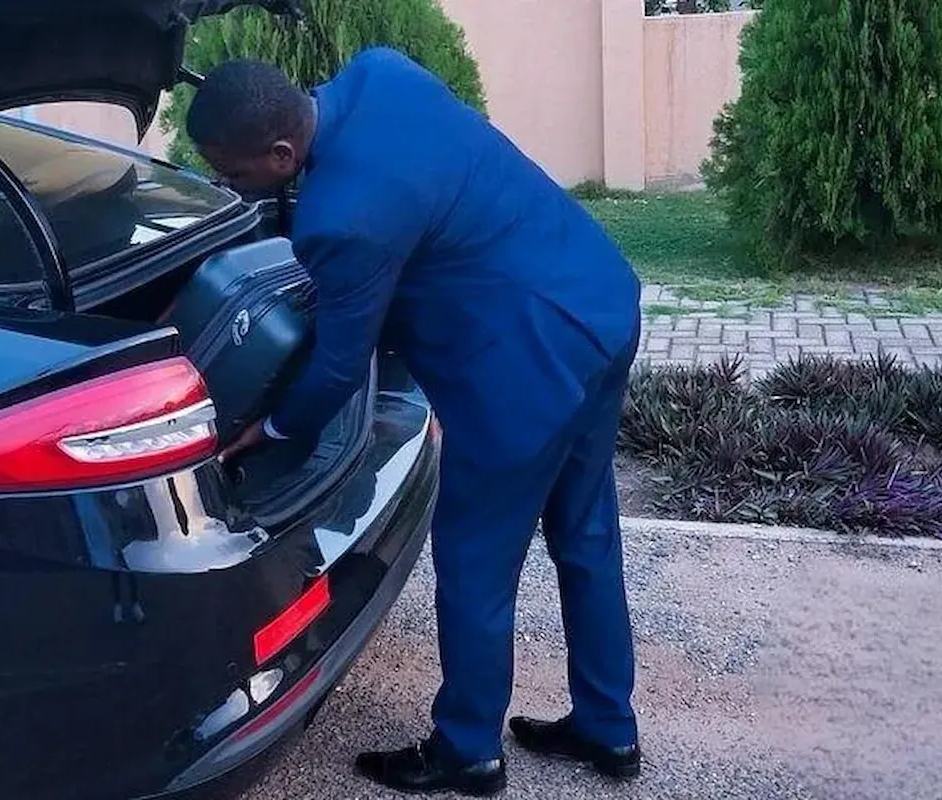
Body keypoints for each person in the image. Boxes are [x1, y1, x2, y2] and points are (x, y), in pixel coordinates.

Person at [186, 48, 643, 797]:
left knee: (473, 564)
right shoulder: (383, 73)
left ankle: (468, 751)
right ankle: (607, 728)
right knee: (586, 536)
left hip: (526, 371)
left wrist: (267, 432)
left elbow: (339, 367)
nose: (226, 186)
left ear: (280, 153)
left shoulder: (340, 219)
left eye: (233, 173)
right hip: (598, 303)